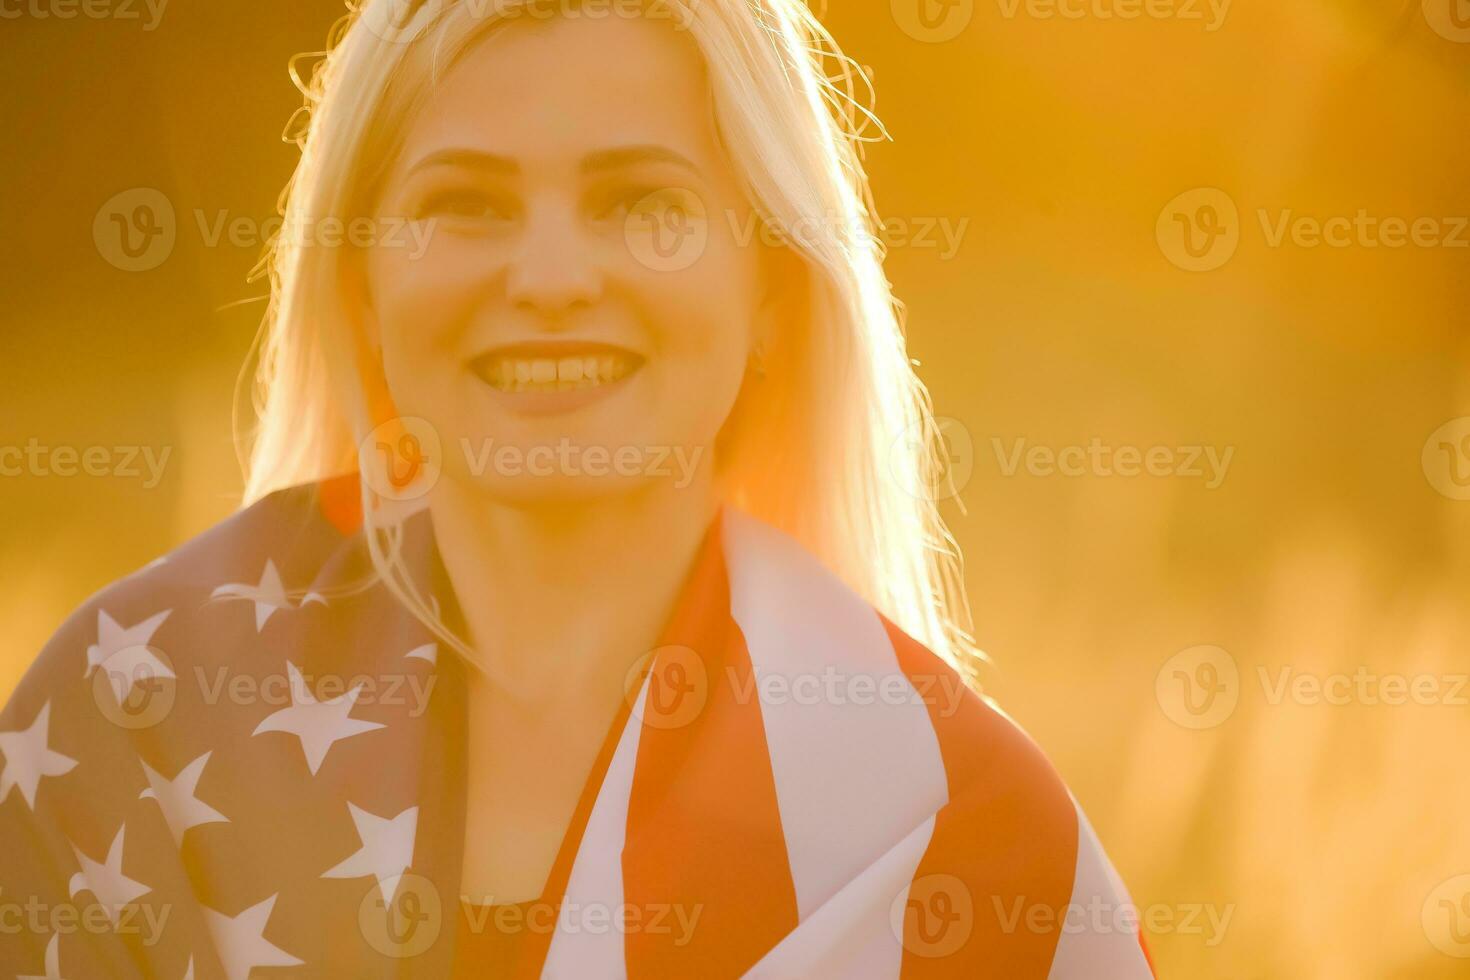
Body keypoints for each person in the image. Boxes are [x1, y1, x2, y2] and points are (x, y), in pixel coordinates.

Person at [0, 0, 1155, 976]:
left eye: (640, 204)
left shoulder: (959, 832)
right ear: (360, 288)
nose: (550, 279)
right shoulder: (128, 724)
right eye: (466, 203)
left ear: (769, 283)